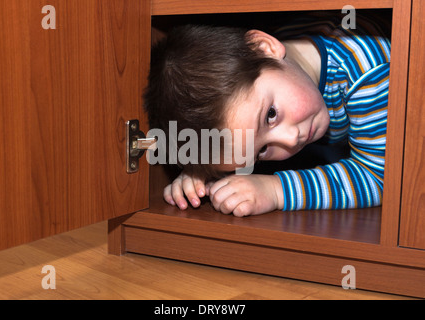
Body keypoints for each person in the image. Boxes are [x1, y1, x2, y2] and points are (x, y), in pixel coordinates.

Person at [144, 14, 390, 217]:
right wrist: (202, 173)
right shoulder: (266, 70)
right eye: (261, 151)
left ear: (265, 47)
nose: (290, 139)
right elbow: (241, 132)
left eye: (270, 115)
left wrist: (276, 190)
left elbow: (380, 177)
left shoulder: (369, 73)